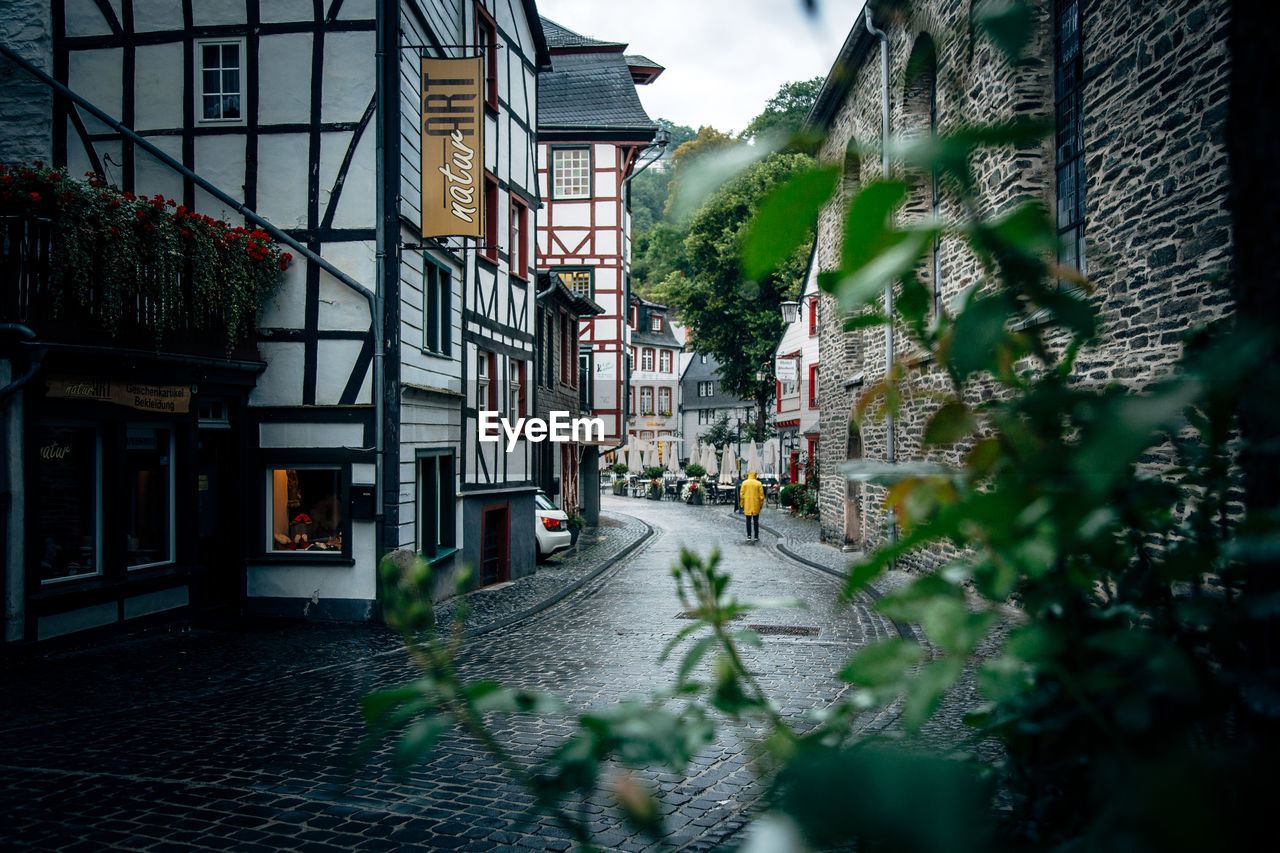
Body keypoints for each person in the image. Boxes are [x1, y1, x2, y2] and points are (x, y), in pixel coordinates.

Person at [739, 470, 765, 542]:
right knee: (756, 521)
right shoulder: (758, 483)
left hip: (747, 504)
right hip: (756, 504)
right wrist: (761, 505)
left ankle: (749, 535)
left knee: (748, 520)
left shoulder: (744, 483)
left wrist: (742, 504)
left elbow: (742, 495)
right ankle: (756, 536)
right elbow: (761, 496)